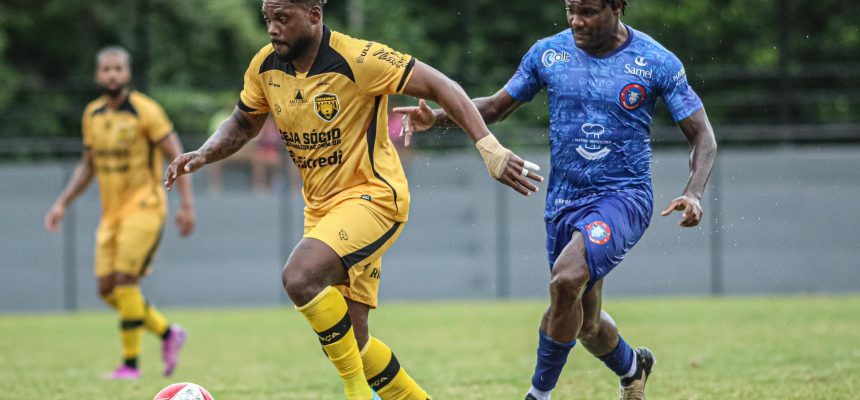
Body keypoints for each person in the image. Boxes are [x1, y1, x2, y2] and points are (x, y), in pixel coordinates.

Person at [163, 0, 542, 399]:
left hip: (374, 198)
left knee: (299, 277)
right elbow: (243, 122)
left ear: (314, 14)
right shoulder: (265, 67)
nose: (272, 29)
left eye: (282, 18)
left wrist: (489, 148)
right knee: (353, 343)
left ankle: (355, 393)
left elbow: (441, 86)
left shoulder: (360, 58)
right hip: (323, 210)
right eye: (268, 19)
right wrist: (203, 153)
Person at [395, 0, 717, 399]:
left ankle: (538, 394)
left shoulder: (655, 61)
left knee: (566, 280)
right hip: (564, 202)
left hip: (623, 197)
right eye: (570, 10)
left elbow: (702, 134)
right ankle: (634, 367)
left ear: (618, 6)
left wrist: (693, 192)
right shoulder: (549, 53)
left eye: (588, 11)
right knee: (585, 322)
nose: (576, 21)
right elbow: (495, 107)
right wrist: (438, 118)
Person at [44, 46, 196, 380]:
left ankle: (130, 366)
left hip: (145, 207)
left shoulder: (146, 111)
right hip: (111, 214)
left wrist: (186, 205)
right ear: (98, 75)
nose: (112, 75)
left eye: (118, 69)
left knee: (126, 282)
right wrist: (62, 203)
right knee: (107, 290)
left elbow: (178, 156)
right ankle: (168, 333)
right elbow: (88, 167)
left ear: (127, 74)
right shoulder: (92, 115)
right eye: (106, 70)